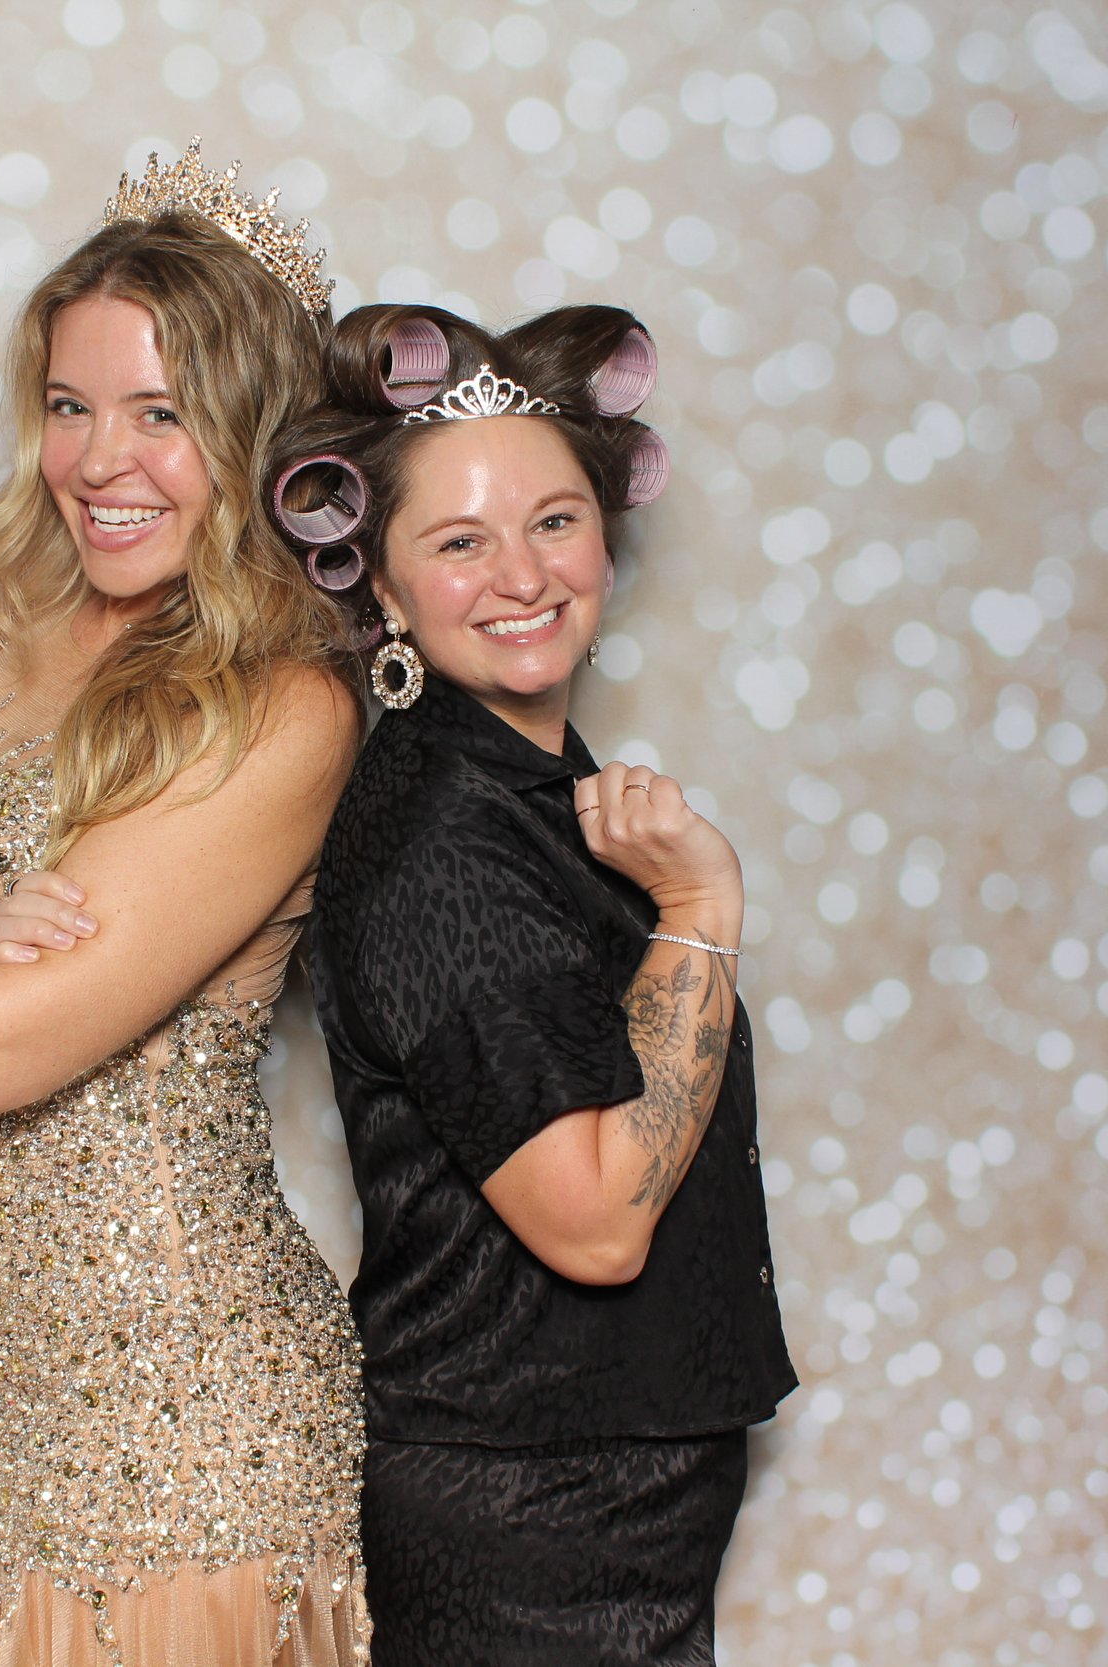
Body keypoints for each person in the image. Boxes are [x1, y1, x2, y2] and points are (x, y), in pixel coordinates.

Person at [0, 146, 369, 1666]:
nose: (101, 461)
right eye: (68, 406)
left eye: (162, 414)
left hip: (176, 1447)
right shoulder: (27, 628)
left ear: (257, 436)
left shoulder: (284, 708)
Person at [281, 304, 799, 1664]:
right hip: (534, 1515)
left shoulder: (535, 794)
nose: (522, 573)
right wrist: (701, 911)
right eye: (459, 542)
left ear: (605, 544)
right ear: (384, 591)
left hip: (597, 1488)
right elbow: (596, 1223)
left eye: (555, 522)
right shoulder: (439, 844)